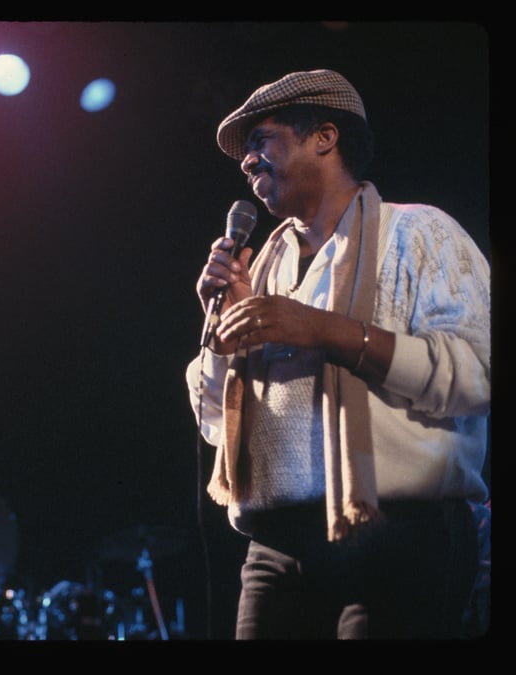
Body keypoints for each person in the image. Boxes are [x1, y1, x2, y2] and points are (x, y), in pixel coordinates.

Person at [185, 70, 490, 639]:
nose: (247, 161)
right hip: (276, 546)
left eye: (261, 140)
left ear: (324, 137)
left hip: (394, 533)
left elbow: (477, 375)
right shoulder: (263, 271)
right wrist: (224, 327)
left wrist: (325, 330)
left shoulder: (419, 234)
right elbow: (214, 427)